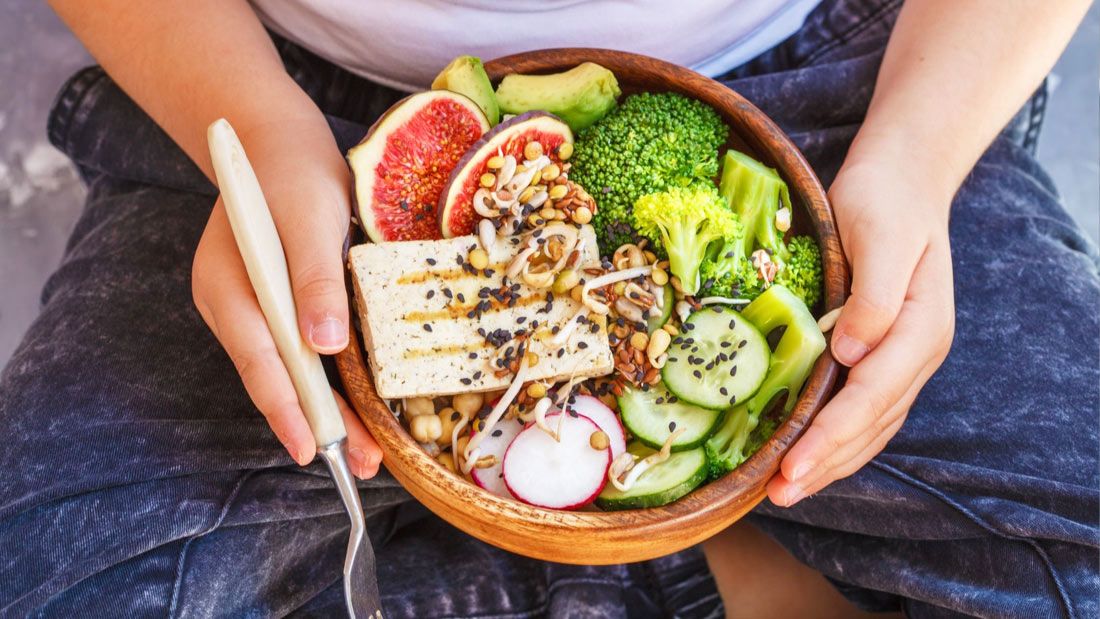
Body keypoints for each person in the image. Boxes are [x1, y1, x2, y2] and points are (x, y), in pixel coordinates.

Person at [2, 0, 1096, 616]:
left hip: (855, 98)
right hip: (275, 97)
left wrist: (919, 152)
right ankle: (712, 570)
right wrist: (240, 118)